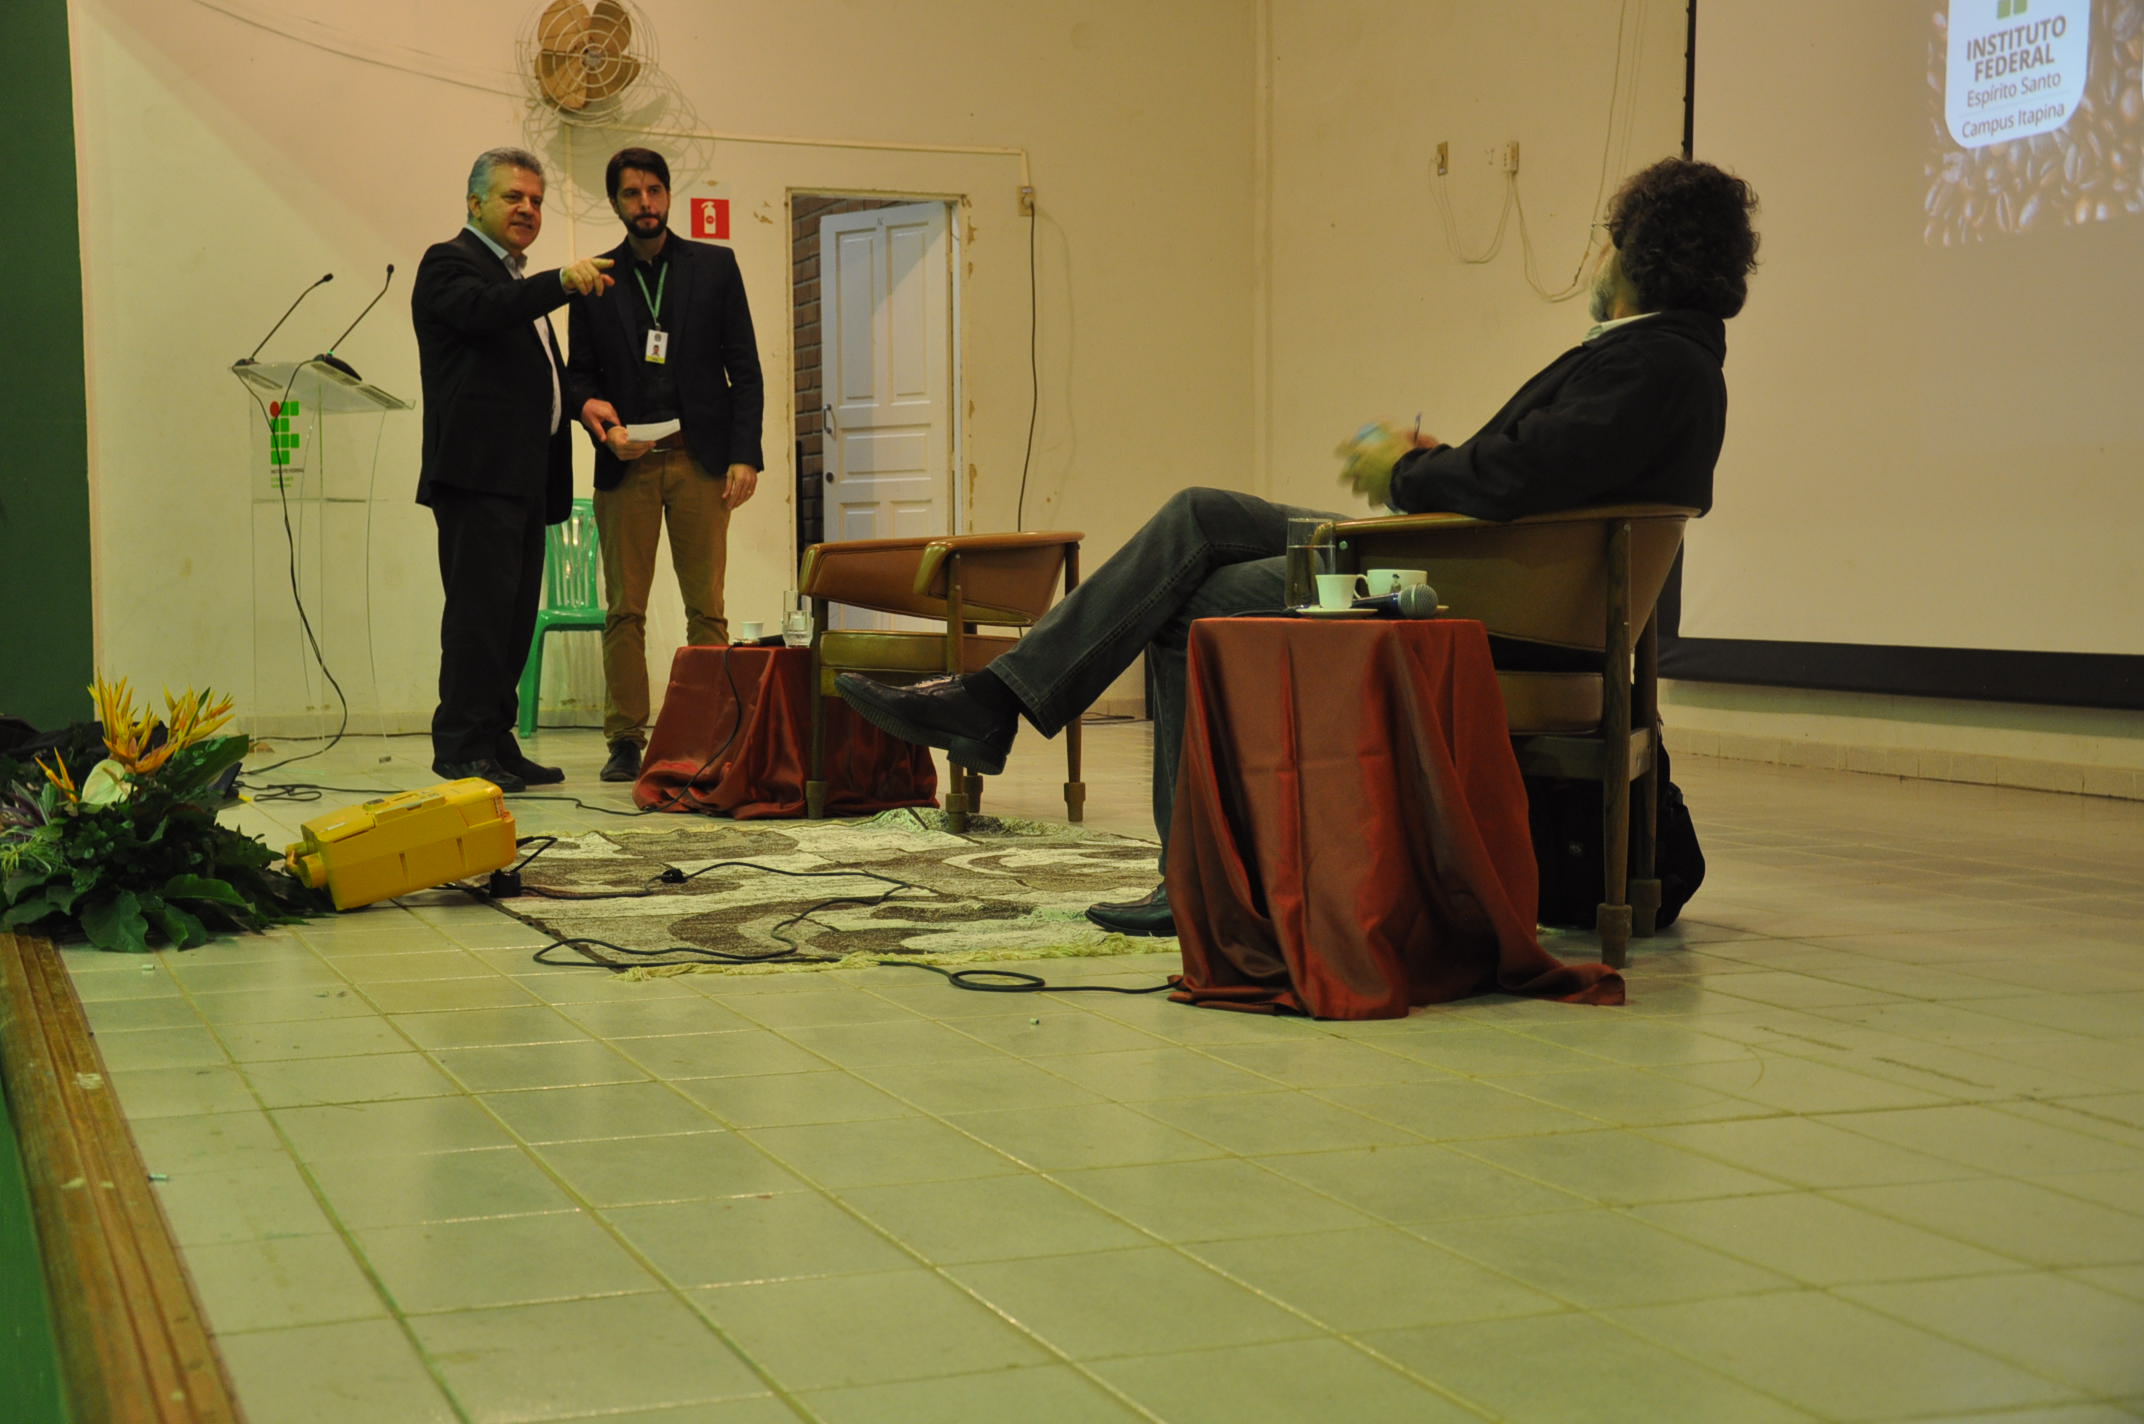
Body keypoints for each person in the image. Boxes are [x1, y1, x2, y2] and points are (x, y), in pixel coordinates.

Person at [838, 156, 1760, 934]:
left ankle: (1178, 869)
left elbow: (1520, 478)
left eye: (1605, 237)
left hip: (1468, 601)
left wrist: (1410, 472)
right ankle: (1001, 703)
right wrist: (1442, 466)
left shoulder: (1655, 362)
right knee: (1201, 516)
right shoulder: (1664, 359)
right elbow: (1541, 475)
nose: (1597, 254)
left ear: (1638, 251)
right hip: (1472, 575)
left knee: (1187, 604)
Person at [413, 146, 615, 792]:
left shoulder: (509, 279)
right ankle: (460, 745)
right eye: (513, 197)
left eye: (536, 200)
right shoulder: (451, 264)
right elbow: (483, 313)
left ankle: (496, 740)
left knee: (513, 618)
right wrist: (561, 282)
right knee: (478, 618)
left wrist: (579, 405)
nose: (528, 209)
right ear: (475, 203)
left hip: (522, 480)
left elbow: (537, 377)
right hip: (477, 476)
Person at [564, 146, 765, 784]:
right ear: (615, 202)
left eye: (654, 190)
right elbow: (578, 379)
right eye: (631, 193)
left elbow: (745, 367)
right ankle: (625, 738)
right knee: (625, 609)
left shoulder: (715, 265)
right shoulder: (596, 280)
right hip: (628, 463)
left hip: (700, 460)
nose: (645, 203)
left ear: (669, 195)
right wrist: (605, 431)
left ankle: (710, 733)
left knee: (707, 606)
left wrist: (745, 455)